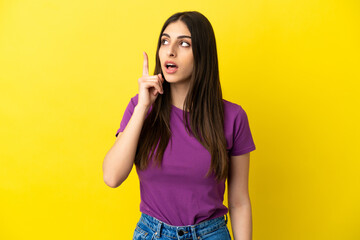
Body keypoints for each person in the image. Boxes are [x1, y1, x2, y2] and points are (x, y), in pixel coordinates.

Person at [103, 11, 256, 240]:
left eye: (184, 43)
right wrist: (143, 107)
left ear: (203, 54)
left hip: (210, 234)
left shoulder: (233, 117)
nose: (170, 51)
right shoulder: (140, 108)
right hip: (153, 234)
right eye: (165, 41)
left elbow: (239, 200)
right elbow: (112, 177)